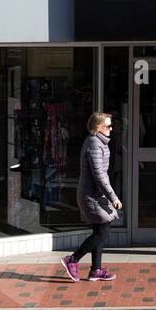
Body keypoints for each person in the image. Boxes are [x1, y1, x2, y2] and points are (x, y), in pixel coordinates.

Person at [62, 112, 122, 282]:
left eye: (111, 125)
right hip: (92, 196)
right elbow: (99, 175)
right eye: (108, 126)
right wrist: (113, 197)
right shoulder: (95, 144)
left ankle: (96, 270)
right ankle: (72, 260)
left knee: (100, 229)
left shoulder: (98, 142)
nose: (111, 128)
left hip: (96, 194)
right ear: (98, 127)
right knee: (102, 232)